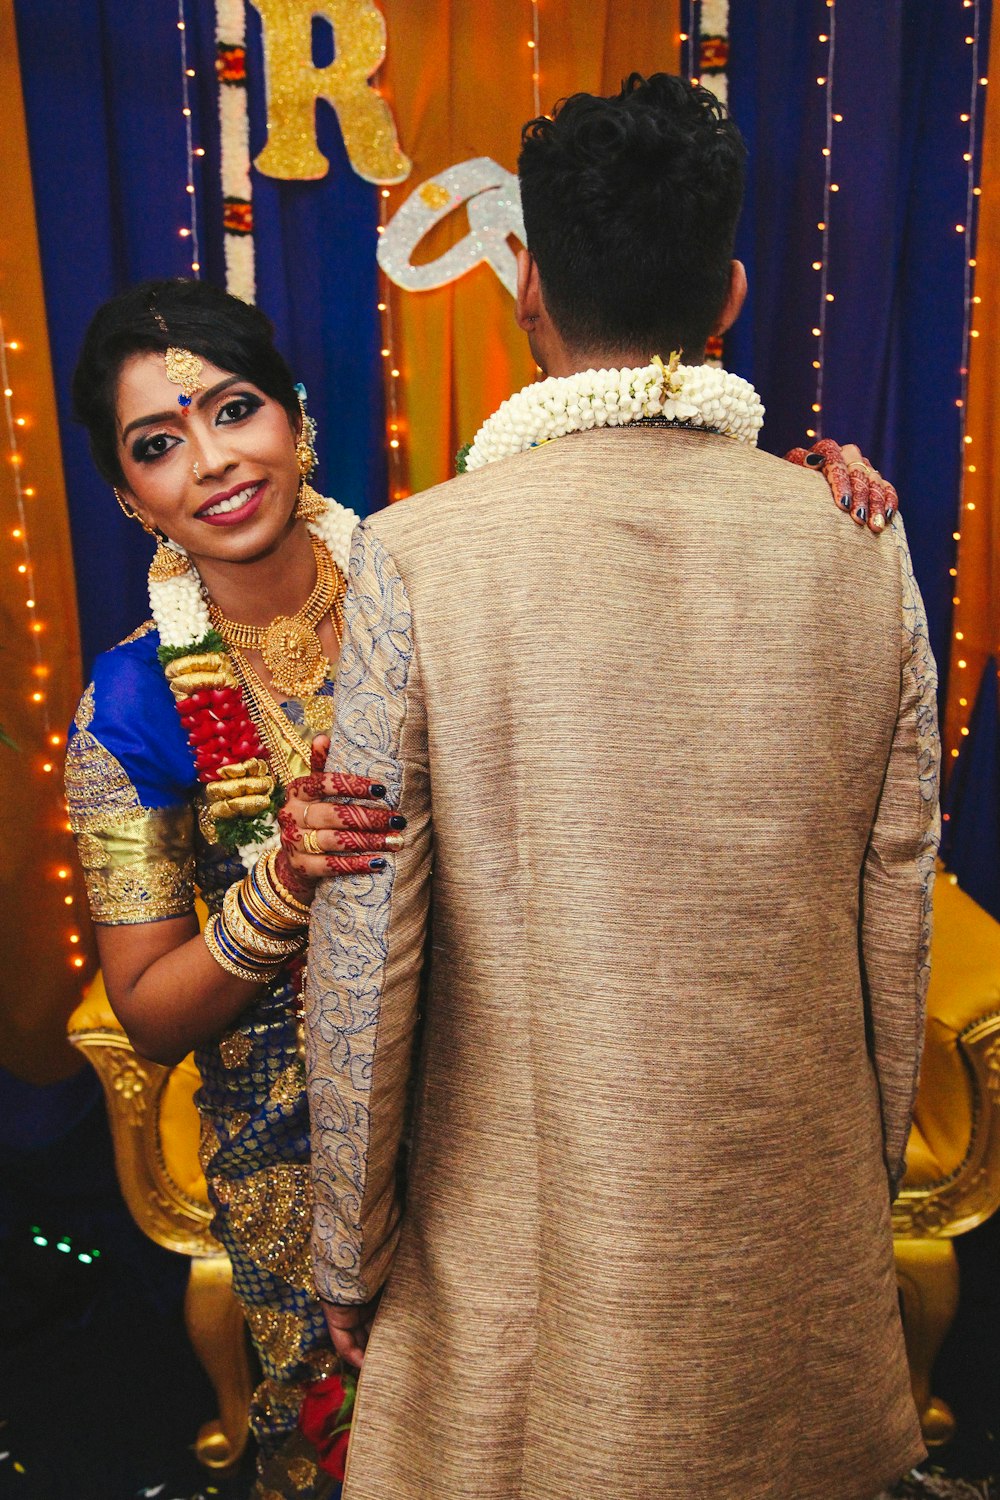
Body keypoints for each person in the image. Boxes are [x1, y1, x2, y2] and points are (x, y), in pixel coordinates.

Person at [303, 73, 938, 1500]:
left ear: (526, 284)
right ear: (729, 291)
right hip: (785, 1211)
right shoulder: (856, 538)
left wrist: (348, 1238)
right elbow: (893, 912)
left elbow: (368, 935)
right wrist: (862, 1188)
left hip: (520, 1216)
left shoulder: (417, 554)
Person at [65, 278, 402, 1496]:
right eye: (159, 444)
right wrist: (283, 886)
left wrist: (790, 496)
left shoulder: (434, 595)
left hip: (497, 1103)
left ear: (296, 422)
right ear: (127, 497)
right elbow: (149, 1008)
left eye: (234, 408)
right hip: (292, 1158)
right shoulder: (126, 715)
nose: (211, 460)